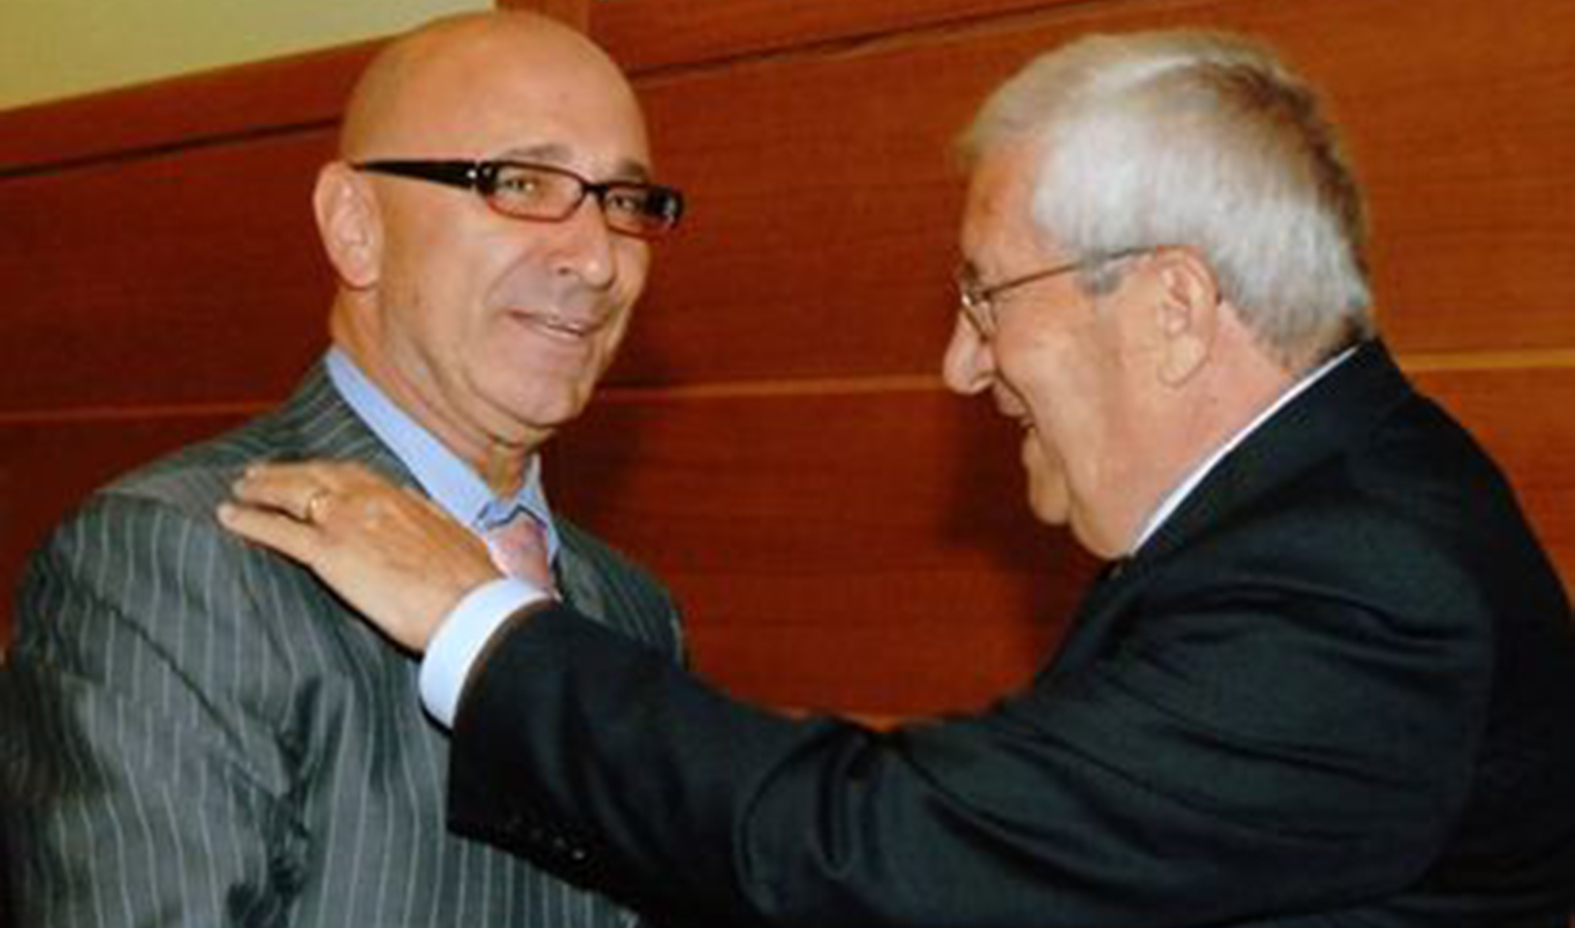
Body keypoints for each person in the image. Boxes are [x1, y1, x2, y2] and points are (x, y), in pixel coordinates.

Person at [218, 29, 1575, 927]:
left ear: (1168, 308)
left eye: (987, 298)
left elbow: (887, 851)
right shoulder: (1316, 515)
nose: (960, 366)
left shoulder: (1358, 583)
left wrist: (478, 622)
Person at [0, 11, 687, 927]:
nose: (597, 259)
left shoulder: (634, 611)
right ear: (355, 225)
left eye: (625, 203)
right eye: (521, 184)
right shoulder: (175, 560)